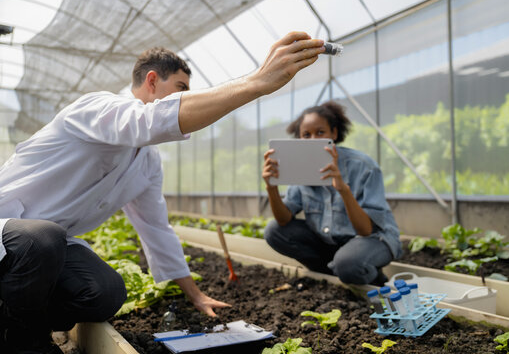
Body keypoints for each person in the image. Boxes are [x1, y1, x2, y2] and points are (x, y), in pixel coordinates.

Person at [0, 31, 325, 354]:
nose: (185, 98)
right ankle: (23, 343)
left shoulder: (147, 162)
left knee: (106, 293)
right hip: (11, 230)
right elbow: (150, 120)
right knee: (43, 238)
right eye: (180, 89)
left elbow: (156, 228)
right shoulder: (97, 109)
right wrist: (256, 82)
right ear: (152, 81)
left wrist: (195, 294)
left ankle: (13, 315)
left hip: (46, 251)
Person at [262, 101, 402, 287]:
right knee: (274, 232)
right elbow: (283, 220)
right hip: (332, 242)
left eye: (320, 132)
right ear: (300, 140)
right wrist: (272, 187)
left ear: (334, 134)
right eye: (306, 135)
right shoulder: (301, 169)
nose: (313, 140)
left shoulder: (363, 166)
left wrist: (343, 189)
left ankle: (373, 279)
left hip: (373, 239)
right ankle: (330, 274)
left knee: (348, 264)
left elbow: (366, 230)